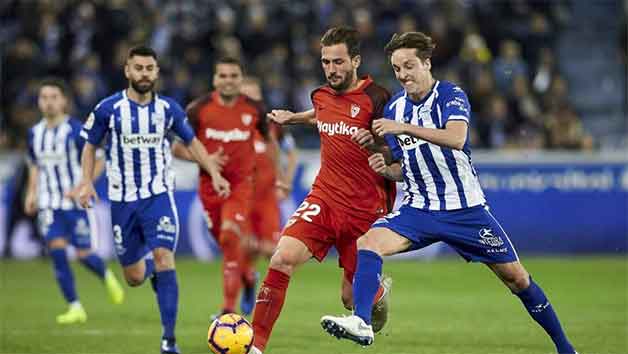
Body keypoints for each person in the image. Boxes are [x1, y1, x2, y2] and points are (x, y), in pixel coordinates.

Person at [320, 32, 577, 354]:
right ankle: (361, 321)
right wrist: (387, 167)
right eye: (397, 69)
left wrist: (403, 129)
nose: (403, 75)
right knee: (367, 244)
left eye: (409, 66)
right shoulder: (396, 107)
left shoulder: (450, 96)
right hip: (419, 210)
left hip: (465, 211)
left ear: (427, 64)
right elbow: (409, 163)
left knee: (518, 280)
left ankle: (566, 349)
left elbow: (456, 138)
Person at [249, 26, 396, 354]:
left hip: (365, 210)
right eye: (326, 62)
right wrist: (294, 119)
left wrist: (376, 145)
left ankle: (378, 296)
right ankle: (255, 347)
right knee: (282, 258)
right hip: (325, 198)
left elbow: (399, 146)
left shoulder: (379, 98)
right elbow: (323, 114)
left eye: (338, 62)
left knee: (349, 298)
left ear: (355, 61)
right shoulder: (320, 95)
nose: (331, 69)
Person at [77, 45, 228, 354]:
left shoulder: (169, 110)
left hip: (158, 195)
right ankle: (150, 273)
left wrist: (213, 172)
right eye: (138, 68)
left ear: (157, 72)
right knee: (133, 277)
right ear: (127, 71)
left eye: (149, 69)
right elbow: (90, 145)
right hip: (122, 200)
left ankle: (169, 341)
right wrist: (85, 182)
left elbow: (193, 142)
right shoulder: (108, 108)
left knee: (164, 257)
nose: (144, 74)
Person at [24, 78, 125, 324]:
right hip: (49, 203)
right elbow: (34, 165)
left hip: (75, 204)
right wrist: (31, 192)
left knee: (82, 254)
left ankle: (105, 275)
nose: (48, 102)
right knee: (57, 252)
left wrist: (83, 184)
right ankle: (75, 306)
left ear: (64, 101)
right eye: (44, 97)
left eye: (53, 97)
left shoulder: (75, 130)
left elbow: (100, 158)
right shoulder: (34, 133)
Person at [172, 57, 267, 318]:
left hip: (239, 187)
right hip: (209, 188)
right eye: (223, 76)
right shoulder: (198, 110)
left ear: (240, 78)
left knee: (229, 235)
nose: (228, 81)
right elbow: (177, 148)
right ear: (215, 80)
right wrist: (204, 159)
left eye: (233, 75)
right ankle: (248, 277)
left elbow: (269, 143)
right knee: (228, 245)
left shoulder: (254, 110)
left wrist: (276, 176)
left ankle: (227, 310)